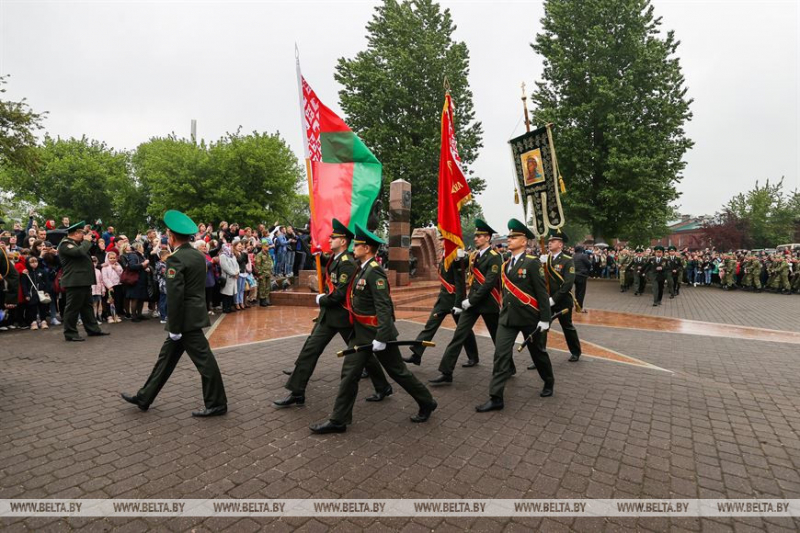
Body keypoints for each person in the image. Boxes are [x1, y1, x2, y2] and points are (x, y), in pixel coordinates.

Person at [309, 224, 437, 434]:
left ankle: (427, 401)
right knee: (349, 373)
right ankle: (339, 420)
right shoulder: (363, 269)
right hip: (362, 333)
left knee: (398, 372)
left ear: (367, 248)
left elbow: (384, 306)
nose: (354, 248)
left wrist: (382, 337)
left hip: (376, 334)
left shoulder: (374, 272)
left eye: (357, 245)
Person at [275, 219, 391, 409]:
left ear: (343, 241)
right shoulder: (336, 259)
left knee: (363, 354)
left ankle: (383, 385)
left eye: (334, 237)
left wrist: (321, 299)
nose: (330, 239)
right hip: (330, 317)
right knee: (310, 351)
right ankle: (297, 392)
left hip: (344, 317)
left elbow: (339, 294)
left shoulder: (347, 263)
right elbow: (327, 272)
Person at [121, 210, 228, 417]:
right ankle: (144, 397)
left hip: (184, 320)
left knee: (205, 362)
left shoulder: (175, 259)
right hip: (192, 314)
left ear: (170, 236)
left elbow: (175, 295)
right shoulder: (198, 255)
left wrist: (175, 326)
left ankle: (216, 403)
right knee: (165, 360)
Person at [475, 219, 553, 412]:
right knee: (500, 355)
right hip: (507, 318)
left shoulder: (532, 263)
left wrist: (545, 319)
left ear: (524, 241)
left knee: (538, 353)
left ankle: (548, 381)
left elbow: (542, 294)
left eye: (513, 237)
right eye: (508, 237)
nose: (509, 240)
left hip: (529, 318)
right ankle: (496, 397)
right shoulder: (505, 264)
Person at [429, 219, 503, 385]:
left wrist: (470, 300)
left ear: (488, 238)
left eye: (479, 236)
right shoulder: (474, 256)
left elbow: (488, 283)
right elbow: (460, 268)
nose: (476, 238)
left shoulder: (495, 257)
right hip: (473, 305)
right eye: (476, 236)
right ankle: (446, 372)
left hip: (488, 303)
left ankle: (508, 367)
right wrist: (458, 257)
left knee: (498, 340)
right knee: (458, 336)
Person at [403, 234, 479, 366]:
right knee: (430, 326)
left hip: (455, 301)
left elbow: (460, 282)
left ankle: (473, 356)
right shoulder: (444, 256)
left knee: (464, 330)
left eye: (442, 240)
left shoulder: (455, 257)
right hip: (443, 301)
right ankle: (416, 354)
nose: (440, 242)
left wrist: (458, 304)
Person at [57, 222, 108, 341]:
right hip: (75, 281)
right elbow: (78, 253)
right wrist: (86, 241)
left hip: (83, 280)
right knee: (73, 308)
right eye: (82, 233)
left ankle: (93, 329)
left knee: (87, 307)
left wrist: (92, 241)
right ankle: (70, 333)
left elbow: (92, 251)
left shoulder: (78, 244)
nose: (83, 235)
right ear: (76, 233)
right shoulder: (65, 244)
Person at [542, 228, 582, 363]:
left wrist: (554, 299)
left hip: (562, 301)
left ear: (560, 244)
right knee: (543, 326)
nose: (550, 243)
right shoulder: (544, 259)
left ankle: (575, 352)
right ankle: (540, 356)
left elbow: (568, 284)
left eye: (553, 241)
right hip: (547, 300)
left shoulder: (567, 260)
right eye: (549, 241)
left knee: (567, 327)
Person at [255, 239, 273, 306]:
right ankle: (262, 300)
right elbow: (257, 265)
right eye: (266, 246)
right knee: (262, 287)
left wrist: (271, 271)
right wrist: (259, 274)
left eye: (268, 246)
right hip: (262, 273)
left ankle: (266, 299)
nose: (268, 247)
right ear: (263, 247)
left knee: (267, 287)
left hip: (268, 273)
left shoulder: (268, 254)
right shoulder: (259, 255)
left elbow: (270, 262)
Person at [572, 245, 591, 310]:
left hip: (574, 275)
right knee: (581, 292)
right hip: (582, 275)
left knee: (577, 291)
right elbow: (589, 264)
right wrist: (587, 271)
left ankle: (576, 304)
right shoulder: (583, 256)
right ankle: (579, 306)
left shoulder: (573, 256)